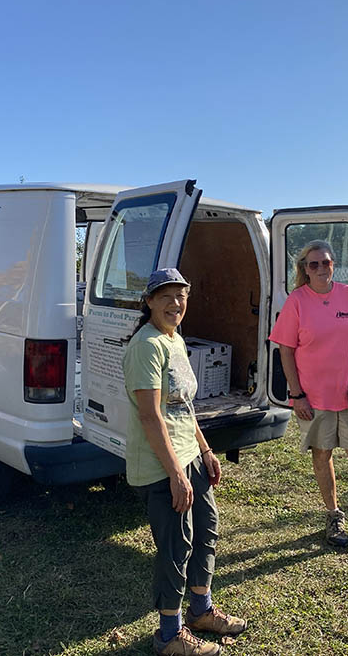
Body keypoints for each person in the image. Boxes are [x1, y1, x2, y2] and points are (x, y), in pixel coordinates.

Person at [123, 268, 246, 656]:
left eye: (181, 296)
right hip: (163, 464)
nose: (175, 303)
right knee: (176, 546)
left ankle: (201, 611)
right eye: (166, 297)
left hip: (190, 456)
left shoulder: (173, 340)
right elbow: (150, 416)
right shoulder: (147, 346)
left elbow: (183, 407)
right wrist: (176, 473)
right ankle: (168, 635)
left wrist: (206, 451)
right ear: (149, 302)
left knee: (206, 531)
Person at [269, 240, 348, 550]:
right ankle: (333, 515)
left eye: (326, 263)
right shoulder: (297, 301)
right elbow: (285, 351)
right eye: (313, 264)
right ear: (304, 269)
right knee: (322, 455)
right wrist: (296, 394)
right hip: (313, 399)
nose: (321, 269)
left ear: (333, 265)